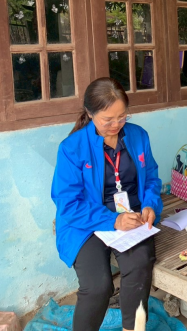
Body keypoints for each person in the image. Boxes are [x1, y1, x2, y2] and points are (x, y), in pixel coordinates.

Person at [51, 77, 163, 331]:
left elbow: (151, 179)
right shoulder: (72, 148)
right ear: (90, 114)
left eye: (122, 117)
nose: (116, 125)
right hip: (86, 222)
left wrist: (150, 205)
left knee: (139, 266)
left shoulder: (138, 136)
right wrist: (112, 220)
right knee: (98, 286)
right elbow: (68, 204)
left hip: (132, 218)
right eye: (107, 120)